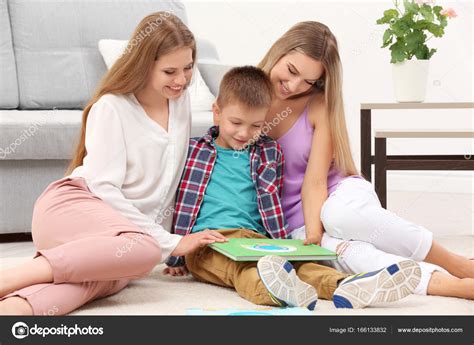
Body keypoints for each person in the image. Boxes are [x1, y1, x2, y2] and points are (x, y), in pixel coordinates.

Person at [0, 12, 227, 316]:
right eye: (170, 71)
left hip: (118, 239)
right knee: (143, 251)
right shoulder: (112, 107)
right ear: (144, 65)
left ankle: (16, 312)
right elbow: (103, 188)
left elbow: (168, 188)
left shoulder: (180, 101)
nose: (182, 80)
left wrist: (171, 250)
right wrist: (170, 243)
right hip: (74, 208)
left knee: (102, 281)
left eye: (187, 68)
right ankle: (8, 277)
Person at [165, 65, 421, 310]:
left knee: (302, 265)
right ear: (217, 112)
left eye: (256, 126)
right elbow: (177, 203)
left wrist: (286, 245)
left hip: (255, 240)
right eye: (236, 123)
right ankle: (278, 292)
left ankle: (347, 286)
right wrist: (175, 255)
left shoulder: (269, 152)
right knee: (241, 271)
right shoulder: (193, 150)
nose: (244, 133)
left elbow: (273, 201)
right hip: (207, 242)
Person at [258, 21, 473, 300]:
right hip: (293, 224)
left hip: (335, 195)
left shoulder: (317, 104)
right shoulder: (246, 94)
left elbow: (314, 182)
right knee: (352, 257)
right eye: (291, 71)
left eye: (309, 81)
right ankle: (451, 286)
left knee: (338, 216)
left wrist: (316, 230)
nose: (295, 86)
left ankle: (456, 263)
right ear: (279, 52)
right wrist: (315, 239)